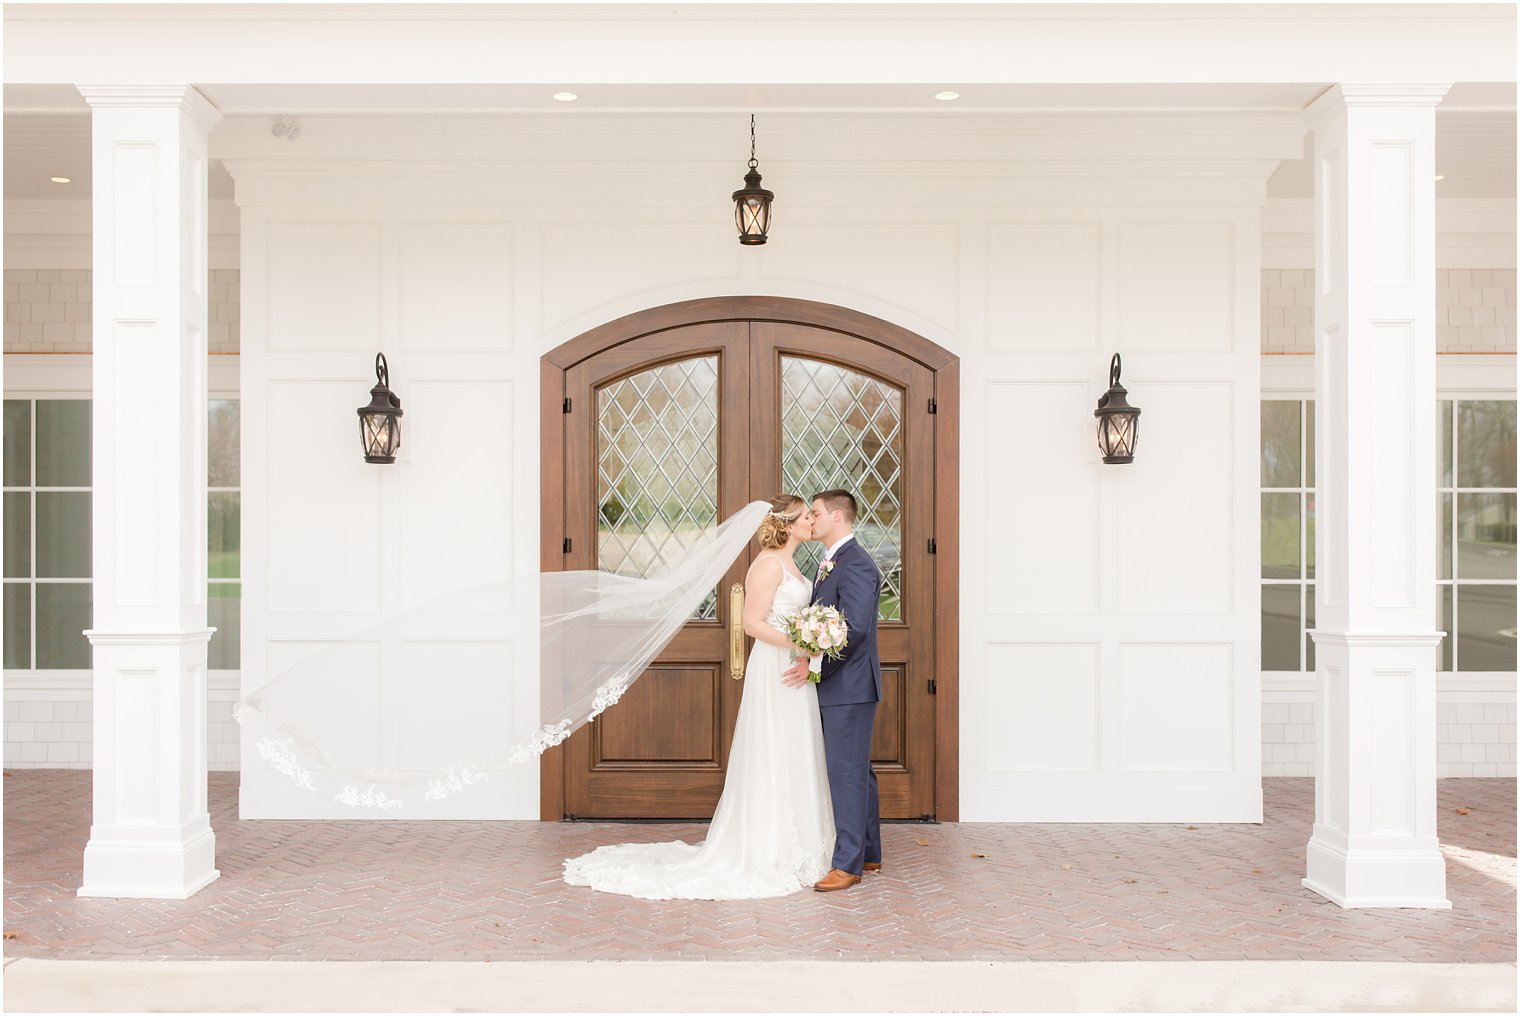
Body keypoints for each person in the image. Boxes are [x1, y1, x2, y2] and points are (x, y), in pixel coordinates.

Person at [562, 494, 836, 900]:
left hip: (793, 665)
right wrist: (802, 644)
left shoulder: (793, 561)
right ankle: (767, 849)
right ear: (788, 524)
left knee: (795, 747)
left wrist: (808, 643)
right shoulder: (767, 564)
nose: (812, 523)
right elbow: (752, 624)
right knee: (774, 747)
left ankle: (803, 845)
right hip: (775, 667)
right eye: (806, 518)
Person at [782, 489, 883, 891]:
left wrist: (812, 660)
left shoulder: (855, 562)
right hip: (843, 684)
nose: (812, 519)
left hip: (849, 684)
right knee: (859, 772)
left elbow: (854, 628)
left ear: (837, 517)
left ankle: (848, 866)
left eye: (817, 513)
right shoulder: (832, 561)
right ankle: (870, 853)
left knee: (847, 774)